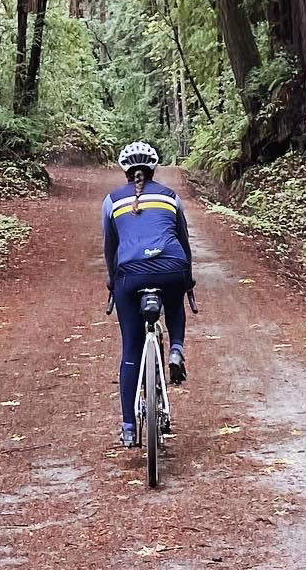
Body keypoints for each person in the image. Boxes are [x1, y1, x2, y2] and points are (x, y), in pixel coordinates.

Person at [102, 141, 194, 448]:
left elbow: (110, 249)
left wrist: (113, 283)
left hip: (131, 275)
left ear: (125, 171)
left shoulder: (112, 201)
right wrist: (187, 280)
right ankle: (176, 349)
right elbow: (183, 239)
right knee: (175, 301)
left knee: (131, 350)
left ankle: (129, 426)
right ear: (153, 169)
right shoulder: (171, 197)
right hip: (172, 267)